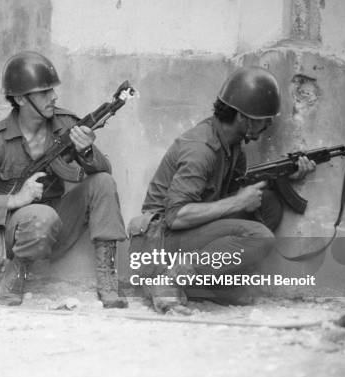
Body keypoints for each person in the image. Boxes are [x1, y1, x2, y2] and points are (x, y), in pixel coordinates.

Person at [130, 66, 316, 314]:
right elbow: (176, 216)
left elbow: (228, 191)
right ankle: (168, 278)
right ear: (243, 117)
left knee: (268, 205)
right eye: (264, 118)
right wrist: (238, 203)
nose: (269, 124)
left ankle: (200, 282)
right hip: (158, 241)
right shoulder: (201, 149)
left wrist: (285, 174)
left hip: (186, 234)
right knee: (260, 237)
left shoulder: (233, 145)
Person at [0, 51, 128, 308]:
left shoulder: (66, 123)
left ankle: (107, 277)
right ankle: (16, 274)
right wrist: (16, 199)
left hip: (60, 219)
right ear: (20, 99)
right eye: (44, 92)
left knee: (103, 181)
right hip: (19, 229)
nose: (54, 96)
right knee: (40, 216)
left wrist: (87, 151)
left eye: (53, 90)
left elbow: (105, 169)